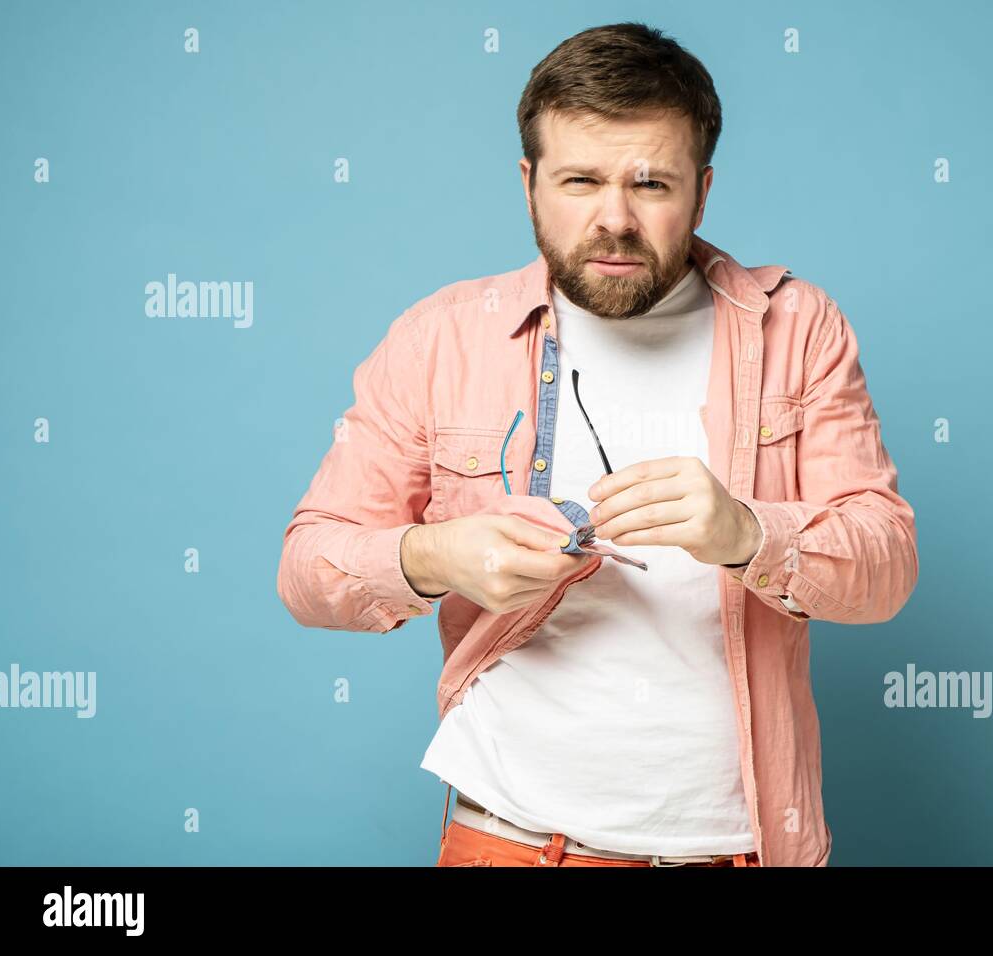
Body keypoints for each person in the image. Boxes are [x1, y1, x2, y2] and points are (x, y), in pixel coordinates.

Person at [276, 21, 919, 867]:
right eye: (580, 180)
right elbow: (307, 569)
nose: (614, 220)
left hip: (741, 848)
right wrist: (439, 556)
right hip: (509, 843)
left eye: (651, 183)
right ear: (529, 182)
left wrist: (747, 535)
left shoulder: (798, 328)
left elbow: (887, 568)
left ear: (703, 190)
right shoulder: (439, 339)